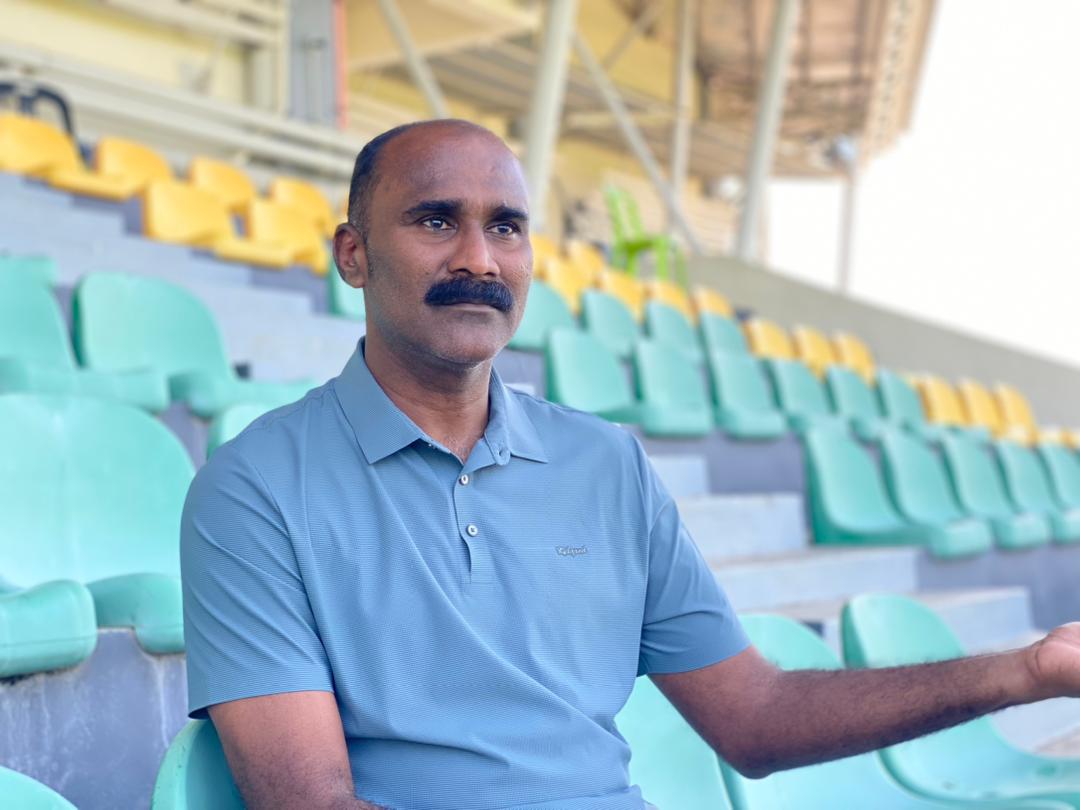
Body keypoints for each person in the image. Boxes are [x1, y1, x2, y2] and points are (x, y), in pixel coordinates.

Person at [180, 119, 1080, 810]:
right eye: (435, 220)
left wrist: (1025, 672)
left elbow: (756, 718)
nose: (478, 259)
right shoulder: (255, 486)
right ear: (353, 254)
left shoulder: (605, 463)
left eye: (506, 227)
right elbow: (309, 805)